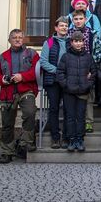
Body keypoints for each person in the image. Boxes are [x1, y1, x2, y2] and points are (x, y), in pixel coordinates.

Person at [0, 29, 39, 164]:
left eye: (20, 37)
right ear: (9, 40)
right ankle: (7, 151)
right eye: (14, 38)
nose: (17, 40)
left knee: (30, 113)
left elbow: (37, 71)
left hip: (26, 90)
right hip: (8, 93)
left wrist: (22, 76)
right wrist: (3, 79)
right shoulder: (2, 57)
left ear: (23, 39)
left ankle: (25, 143)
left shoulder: (32, 54)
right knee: (7, 124)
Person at [56, 31, 96, 154]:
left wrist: (87, 84)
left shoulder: (88, 57)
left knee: (80, 116)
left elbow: (94, 73)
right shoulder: (66, 57)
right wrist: (66, 85)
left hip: (83, 91)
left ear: (83, 42)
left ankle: (79, 139)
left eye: (80, 41)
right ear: (71, 42)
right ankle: (71, 139)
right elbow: (60, 73)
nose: (78, 44)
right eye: (75, 41)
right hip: (69, 91)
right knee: (70, 117)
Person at [40, 16, 71, 148]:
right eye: (61, 25)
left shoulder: (71, 42)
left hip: (68, 80)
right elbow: (43, 62)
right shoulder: (49, 43)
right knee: (53, 108)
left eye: (66, 25)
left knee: (68, 109)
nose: (64, 27)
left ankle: (66, 137)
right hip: (53, 81)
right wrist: (58, 71)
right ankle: (55, 137)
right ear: (56, 28)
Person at [69, 8, 101, 130]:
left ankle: (88, 121)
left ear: (85, 19)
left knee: (88, 97)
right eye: (75, 19)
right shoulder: (68, 34)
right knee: (74, 97)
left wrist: (91, 70)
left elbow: (97, 54)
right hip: (73, 70)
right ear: (72, 20)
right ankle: (77, 121)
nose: (78, 21)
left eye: (80, 18)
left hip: (87, 70)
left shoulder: (92, 33)